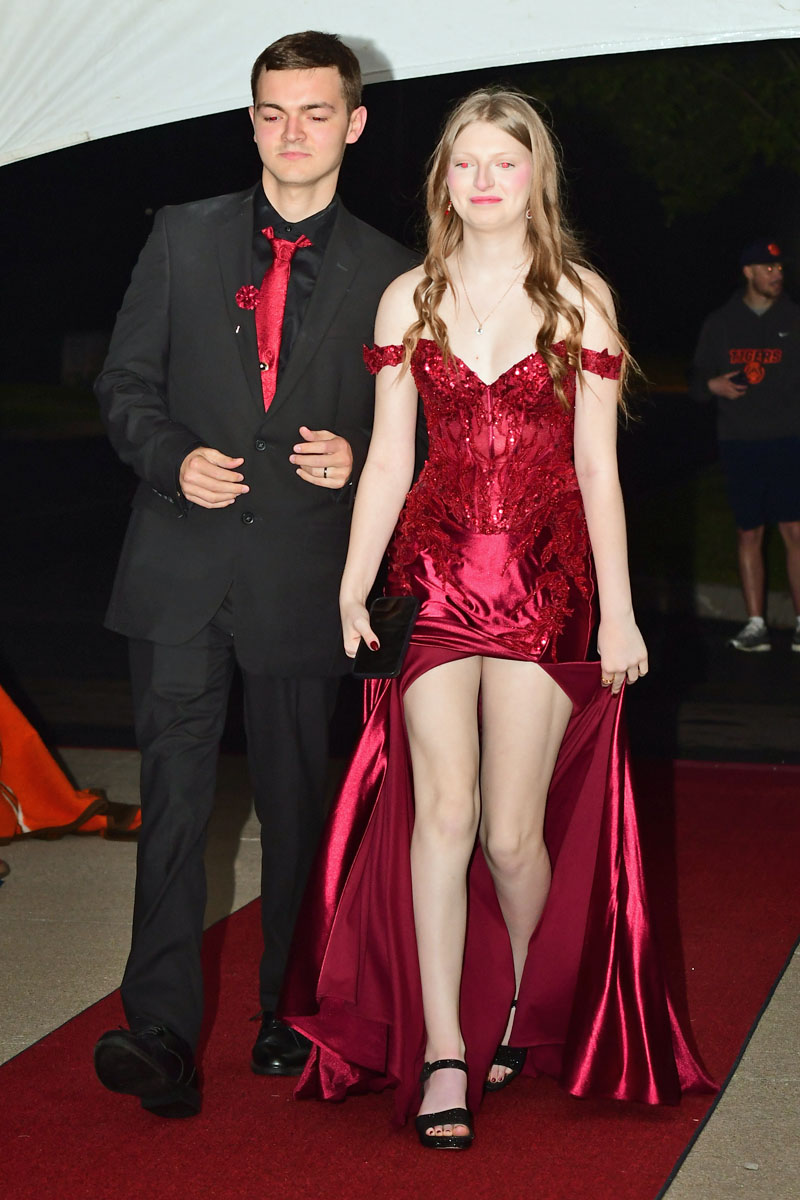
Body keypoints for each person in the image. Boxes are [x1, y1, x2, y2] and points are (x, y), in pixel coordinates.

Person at [280, 89, 714, 1148]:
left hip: (540, 585)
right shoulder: (407, 300)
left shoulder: (578, 300)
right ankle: (443, 1049)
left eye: (501, 163)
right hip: (428, 582)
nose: (482, 180)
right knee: (441, 813)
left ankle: (527, 1002)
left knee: (514, 835)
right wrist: (352, 580)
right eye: (464, 163)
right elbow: (389, 454)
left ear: (534, 178)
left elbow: (595, 469)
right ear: (443, 181)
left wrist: (618, 614)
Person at [92, 31, 415, 1118]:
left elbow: (417, 430)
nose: (292, 133)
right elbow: (123, 383)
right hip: (178, 571)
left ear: (353, 122)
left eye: (315, 113)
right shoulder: (181, 238)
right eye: (272, 112)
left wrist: (362, 456)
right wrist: (170, 456)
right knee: (176, 805)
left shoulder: (390, 269)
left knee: (295, 802)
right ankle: (161, 1033)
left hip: (305, 578)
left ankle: (286, 1007)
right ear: (250, 120)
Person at [691, 239, 800, 652]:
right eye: (768, 268)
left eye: (780, 268)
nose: (777, 274)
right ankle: (755, 625)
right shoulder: (721, 322)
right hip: (740, 442)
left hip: (789, 440)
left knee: (794, 529)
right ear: (748, 272)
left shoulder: (794, 318)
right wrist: (712, 384)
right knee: (749, 532)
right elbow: (697, 380)